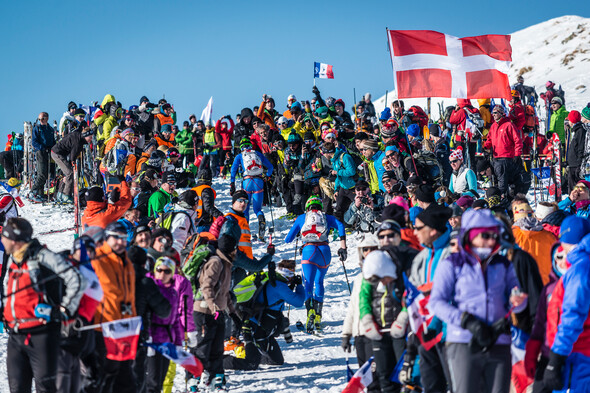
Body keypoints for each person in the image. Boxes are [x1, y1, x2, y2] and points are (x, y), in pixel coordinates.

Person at [429, 209, 528, 393]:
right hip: (463, 341)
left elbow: (516, 297)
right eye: (485, 235)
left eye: (494, 235)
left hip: (498, 339)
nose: (491, 240)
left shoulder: (503, 264)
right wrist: (466, 320)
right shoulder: (452, 263)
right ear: (470, 235)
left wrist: (518, 301)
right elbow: (436, 302)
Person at [2, 217, 86, 393]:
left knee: (45, 388)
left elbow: (76, 279)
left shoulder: (42, 256)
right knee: (16, 388)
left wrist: (64, 310)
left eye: (4, 237)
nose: (2, 240)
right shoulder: (12, 259)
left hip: (41, 335)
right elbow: (7, 288)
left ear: (15, 240)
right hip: (16, 335)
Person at [224, 260, 304, 371]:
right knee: (251, 364)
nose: (293, 277)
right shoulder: (280, 286)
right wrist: (299, 286)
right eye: (292, 274)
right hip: (253, 328)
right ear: (288, 275)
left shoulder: (274, 280)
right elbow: (299, 302)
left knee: (277, 361)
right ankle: (215, 361)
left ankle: (250, 354)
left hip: (264, 328)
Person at [284, 196, 346, 333]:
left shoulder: (302, 218)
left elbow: (288, 239)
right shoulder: (326, 217)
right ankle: (318, 316)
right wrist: (343, 247)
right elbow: (340, 225)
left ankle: (309, 313)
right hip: (324, 252)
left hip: (308, 251)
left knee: (308, 283)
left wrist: (297, 232)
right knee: (319, 282)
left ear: (307, 207)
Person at [409, 203, 453, 393]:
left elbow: (453, 296)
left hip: (450, 335)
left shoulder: (453, 254)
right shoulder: (423, 256)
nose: (414, 232)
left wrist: (435, 323)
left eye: (418, 228)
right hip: (426, 335)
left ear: (433, 230)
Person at [91, 221, 137, 393]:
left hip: (124, 330)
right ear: (106, 238)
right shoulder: (96, 260)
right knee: (104, 379)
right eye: (115, 238)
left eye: (123, 238)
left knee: (126, 382)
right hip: (101, 330)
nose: (120, 242)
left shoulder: (126, 261)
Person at [193, 233, 239, 391]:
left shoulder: (226, 264)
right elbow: (206, 287)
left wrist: (232, 313)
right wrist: (213, 308)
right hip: (204, 311)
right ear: (231, 249)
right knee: (203, 348)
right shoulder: (215, 262)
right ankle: (193, 382)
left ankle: (215, 381)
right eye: (235, 248)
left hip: (216, 312)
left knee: (217, 348)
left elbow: (225, 293)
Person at [342, 235, 381, 393]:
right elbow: (353, 307)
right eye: (365, 249)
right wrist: (346, 333)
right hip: (359, 336)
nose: (369, 252)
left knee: (375, 379)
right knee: (365, 380)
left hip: (374, 334)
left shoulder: (382, 276)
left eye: (373, 248)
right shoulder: (359, 278)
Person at [230, 138, 274, 238]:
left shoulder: (239, 156)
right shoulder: (257, 154)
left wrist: (232, 183)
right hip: (259, 182)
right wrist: (267, 175)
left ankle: (245, 230)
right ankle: (261, 220)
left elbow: (233, 169)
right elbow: (270, 167)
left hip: (247, 182)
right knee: (257, 208)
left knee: (245, 209)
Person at [484, 105, 529, 196]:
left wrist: (517, 154)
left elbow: (518, 140)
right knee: (501, 182)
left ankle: (507, 200)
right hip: (497, 158)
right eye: (493, 113)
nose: (494, 115)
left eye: (496, 113)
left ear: (501, 113)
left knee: (507, 183)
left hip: (508, 158)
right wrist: (485, 147)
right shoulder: (493, 126)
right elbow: (489, 139)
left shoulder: (509, 125)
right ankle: (504, 200)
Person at [51, 121, 94, 203]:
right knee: (70, 173)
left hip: (60, 153)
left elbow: (78, 129)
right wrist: (73, 163)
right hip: (57, 153)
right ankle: (66, 195)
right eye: (90, 137)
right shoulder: (78, 142)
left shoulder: (79, 135)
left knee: (67, 173)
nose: (91, 139)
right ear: (85, 136)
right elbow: (72, 157)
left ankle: (60, 194)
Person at [30, 112, 56, 201]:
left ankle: (40, 193)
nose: (41, 121)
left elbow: (53, 141)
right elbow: (34, 142)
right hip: (40, 152)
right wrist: (42, 147)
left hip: (48, 152)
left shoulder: (50, 129)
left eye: (42, 119)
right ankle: (33, 191)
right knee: (42, 174)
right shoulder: (37, 128)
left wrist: (54, 148)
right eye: (39, 119)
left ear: (47, 119)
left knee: (46, 173)